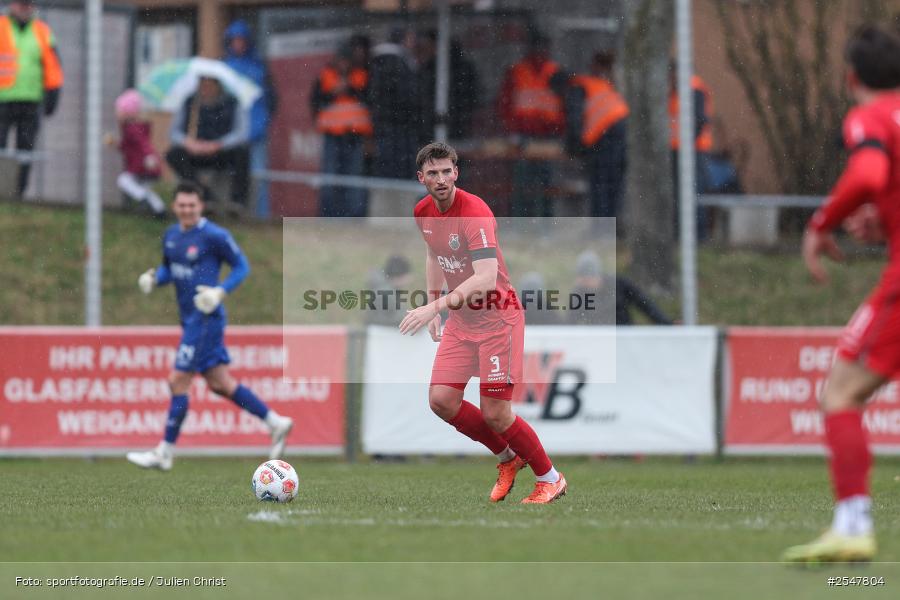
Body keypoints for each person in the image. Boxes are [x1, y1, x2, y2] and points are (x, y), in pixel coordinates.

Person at [783, 24, 900, 564]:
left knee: (840, 395)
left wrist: (823, 222)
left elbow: (869, 171)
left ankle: (852, 524)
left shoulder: (870, 116)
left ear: (851, 77)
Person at [400, 142, 567, 504]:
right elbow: (433, 253)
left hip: (498, 321)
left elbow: (486, 279)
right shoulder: (422, 212)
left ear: (456, 173)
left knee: (497, 413)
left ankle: (550, 478)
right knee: (442, 400)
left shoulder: (475, 213)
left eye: (447, 171)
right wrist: (433, 302)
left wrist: (435, 308)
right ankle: (508, 458)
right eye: (433, 173)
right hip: (463, 323)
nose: (441, 179)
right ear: (421, 178)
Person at [126, 181, 294, 471]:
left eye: (193, 205)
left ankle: (164, 452)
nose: (187, 210)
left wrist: (220, 291)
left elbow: (242, 266)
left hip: (205, 319)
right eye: (182, 205)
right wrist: (156, 278)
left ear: (201, 206)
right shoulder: (171, 236)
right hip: (189, 319)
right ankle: (275, 422)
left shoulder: (215, 235)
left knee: (178, 380)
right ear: (175, 206)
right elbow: (172, 268)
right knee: (219, 383)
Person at [497, 32, 564, 218]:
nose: (541, 53)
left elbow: (564, 105)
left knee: (544, 184)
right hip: (523, 136)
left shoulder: (555, 72)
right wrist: (512, 131)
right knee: (523, 184)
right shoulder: (518, 72)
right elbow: (505, 105)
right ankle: (523, 222)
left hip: (547, 136)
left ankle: (543, 223)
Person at [0, 0, 63, 197]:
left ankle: (18, 192)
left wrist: (53, 93)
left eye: (28, 4)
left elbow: (52, 66)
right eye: (21, 4)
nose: (24, 8)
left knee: (25, 149)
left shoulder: (42, 31)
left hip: (31, 101)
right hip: (2, 99)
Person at [561, 52, 629, 222]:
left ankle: (601, 230)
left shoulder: (580, 86)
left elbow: (574, 119)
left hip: (606, 137)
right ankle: (612, 227)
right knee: (613, 186)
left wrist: (575, 147)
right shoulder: (606, 86)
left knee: (601, 185)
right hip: (621, 134)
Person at [223, 20, 279, 219]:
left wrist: (263, 121)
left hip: (256, 128)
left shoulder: (259, 66)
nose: (238, 44)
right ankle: (235, 212)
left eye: (242, 40)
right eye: (234, 40)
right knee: (233, 173)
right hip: (232, 131)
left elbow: (271, 99)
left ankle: (261, 215)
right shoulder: (224, 68)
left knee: (258, 174)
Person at [165, 76, 250, 208]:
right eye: (203, 85)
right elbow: (173, 132)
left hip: (222, 153)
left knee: (242, 153)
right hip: (195, 151)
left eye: (209, 85)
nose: (206, 89)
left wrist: (219, 144)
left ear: (218, 86)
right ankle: (204, 195)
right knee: (174, 155)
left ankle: (237, 202)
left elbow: (241, 133)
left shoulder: (232, 103)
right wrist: (188, 142)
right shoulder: (190, 102)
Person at [311, 42, 372, 217]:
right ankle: (329, 215)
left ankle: (352, 216)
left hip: (354, 136)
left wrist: (350, 89)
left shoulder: (361, 76)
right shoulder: (325, 76)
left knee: (353, 179)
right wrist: (333, 93)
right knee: (330, 179)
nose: (343, 65)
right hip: (332, 136)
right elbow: (316, 102)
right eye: (341, 61)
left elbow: (368, 99)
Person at [567, 251, 672, 326]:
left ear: (597, 275)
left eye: (588, 279)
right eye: (583, 280)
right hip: (599, 342)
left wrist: (667, 324)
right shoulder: (579, 294)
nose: (586, 284)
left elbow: (645, 305)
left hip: (624, 339)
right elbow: (570, 323)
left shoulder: (620, 285)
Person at [669, 64, 713, 239]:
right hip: (678, 150)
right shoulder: (676, 91)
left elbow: (699, 120)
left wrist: (688, 144)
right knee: (681, 193)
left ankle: (698, 236)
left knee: (693, 192)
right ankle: (682, 234)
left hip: (693, 151)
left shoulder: (693, 89)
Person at [369, 28, 420, 180]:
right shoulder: (399, 62)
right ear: (404, 39)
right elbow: (405, 95)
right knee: (398, 167)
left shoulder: (381, 61)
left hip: (386, 123)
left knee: (387, 165)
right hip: (398, 124)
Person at [110, 89, 165, 218]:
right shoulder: (131, 128)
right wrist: (116, 144)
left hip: (143, 166)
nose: (116, 113)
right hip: (145, 165)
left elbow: (143, 143)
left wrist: (149, 157)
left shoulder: (132, 128)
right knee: (145, 189)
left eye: (119, 110)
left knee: (124, 180)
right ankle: (160, 210)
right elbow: (128, 147)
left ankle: (143, 199)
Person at [364, 255, 414, 327]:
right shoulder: (385, 293)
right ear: (398, 275)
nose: (410, 279)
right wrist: (413, 320)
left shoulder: (382, 288)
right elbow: (384, 320)